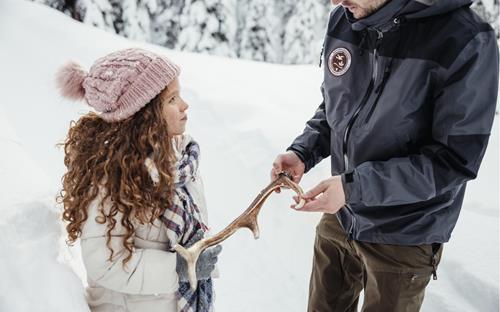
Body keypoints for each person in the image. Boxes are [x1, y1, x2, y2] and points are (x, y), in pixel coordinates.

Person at [271, 0, 499, 311]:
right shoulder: (346, 18)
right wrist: (303, 151)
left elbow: (453, 161)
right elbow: (339, 106)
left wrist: (354, 186)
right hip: (343, 214)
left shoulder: (465, 39)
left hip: (405, 232)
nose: (336, 1)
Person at [56, 48, 221, 312]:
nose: (184, 105)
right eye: (172, 99)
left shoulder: (179, 160)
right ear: (143, 114)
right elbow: (106, 263)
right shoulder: (110, 176)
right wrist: (181, 266)